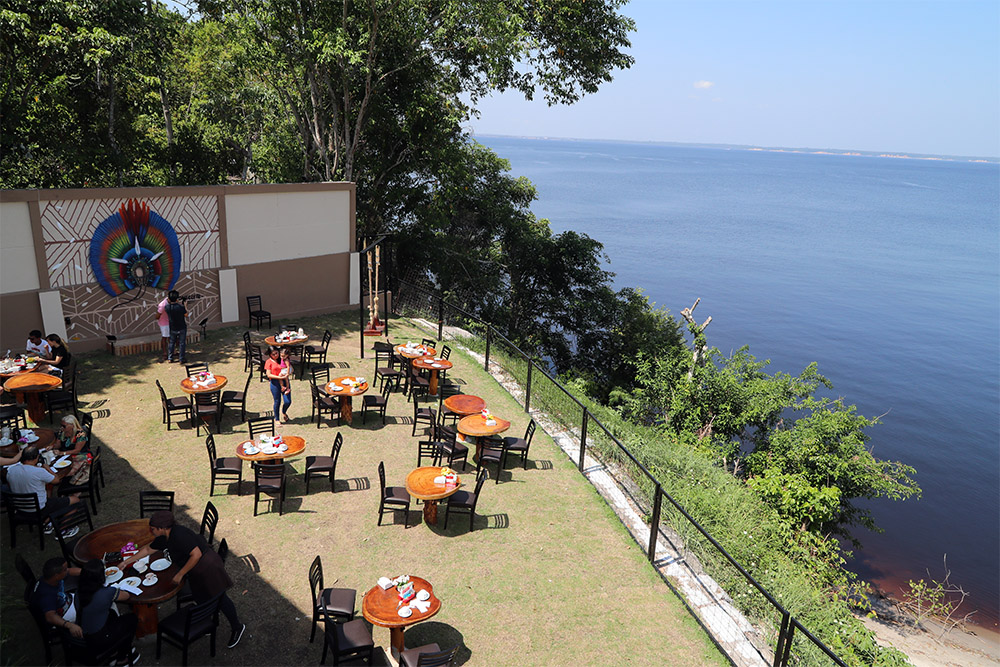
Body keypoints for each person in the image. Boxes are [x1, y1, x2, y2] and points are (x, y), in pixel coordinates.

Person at [122, 511, 246, 649]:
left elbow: (196, 554)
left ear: (162, 528)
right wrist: (125, 562)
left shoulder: (179, 535)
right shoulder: (164, 537)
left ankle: (237, 627)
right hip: (195, 570)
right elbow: (147, 550)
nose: (151, 531)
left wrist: (180, 574)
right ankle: (208, 622)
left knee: (220, 598)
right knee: (201, 595)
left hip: (208, 566)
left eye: (153, 529)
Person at [71, 559, 140, 666]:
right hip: (100, 640)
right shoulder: (106, 593)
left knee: (112, 613)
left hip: (84, 634)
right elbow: (126, 596)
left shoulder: (78, 591)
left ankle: (115, 652)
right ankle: (122, 658)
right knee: (132, 619)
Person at [6, 446, 84, 537]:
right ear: (36, 458)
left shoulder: (11, 471)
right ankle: (64, 528)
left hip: (20, 508)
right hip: (40, 508)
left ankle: (48, 522)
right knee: (75, 500)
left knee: (48, 493)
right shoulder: (39, 472)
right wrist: (46, 467)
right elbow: (56, 480)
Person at [29, 558, 83, 638]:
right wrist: (69, 625)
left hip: (67, 600)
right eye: (64, 570)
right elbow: (50, 616)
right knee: (92, 606)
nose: (67, 570)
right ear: (57, 575)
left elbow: (70, 571)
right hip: (63, 614)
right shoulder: (47, 596)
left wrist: (87, 572)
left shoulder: (50, 578)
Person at [264, 346, 291, 425]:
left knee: (288, 401)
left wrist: (287, 373)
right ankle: (277, 419)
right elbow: (268, 375)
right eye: (273, 354)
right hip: (275, 383)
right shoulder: (268, 362)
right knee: (277, 401)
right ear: (270, 355)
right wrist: (279, 377)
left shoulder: (282, 359)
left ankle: (284, 412)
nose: (276, 355)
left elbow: (289, 367)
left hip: (285, 381)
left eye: (276, 353)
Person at [164, 290, 188, 364]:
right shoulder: (180, 307)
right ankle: (181, 359)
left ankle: (170, 358)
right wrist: (185, 305)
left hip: (173, 327)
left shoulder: (167, 307)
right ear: (177, 299)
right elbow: (186, 314)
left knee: (171, 342)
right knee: (182, 343)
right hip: (181, 327)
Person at [154, 294, 170, 362]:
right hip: (164, 324)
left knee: (170, 337)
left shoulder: (173, 302)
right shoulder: (163, 305)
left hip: (170, 322)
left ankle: (172, 351)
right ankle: (165, 353)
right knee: (164, 337)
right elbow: (157, 316)